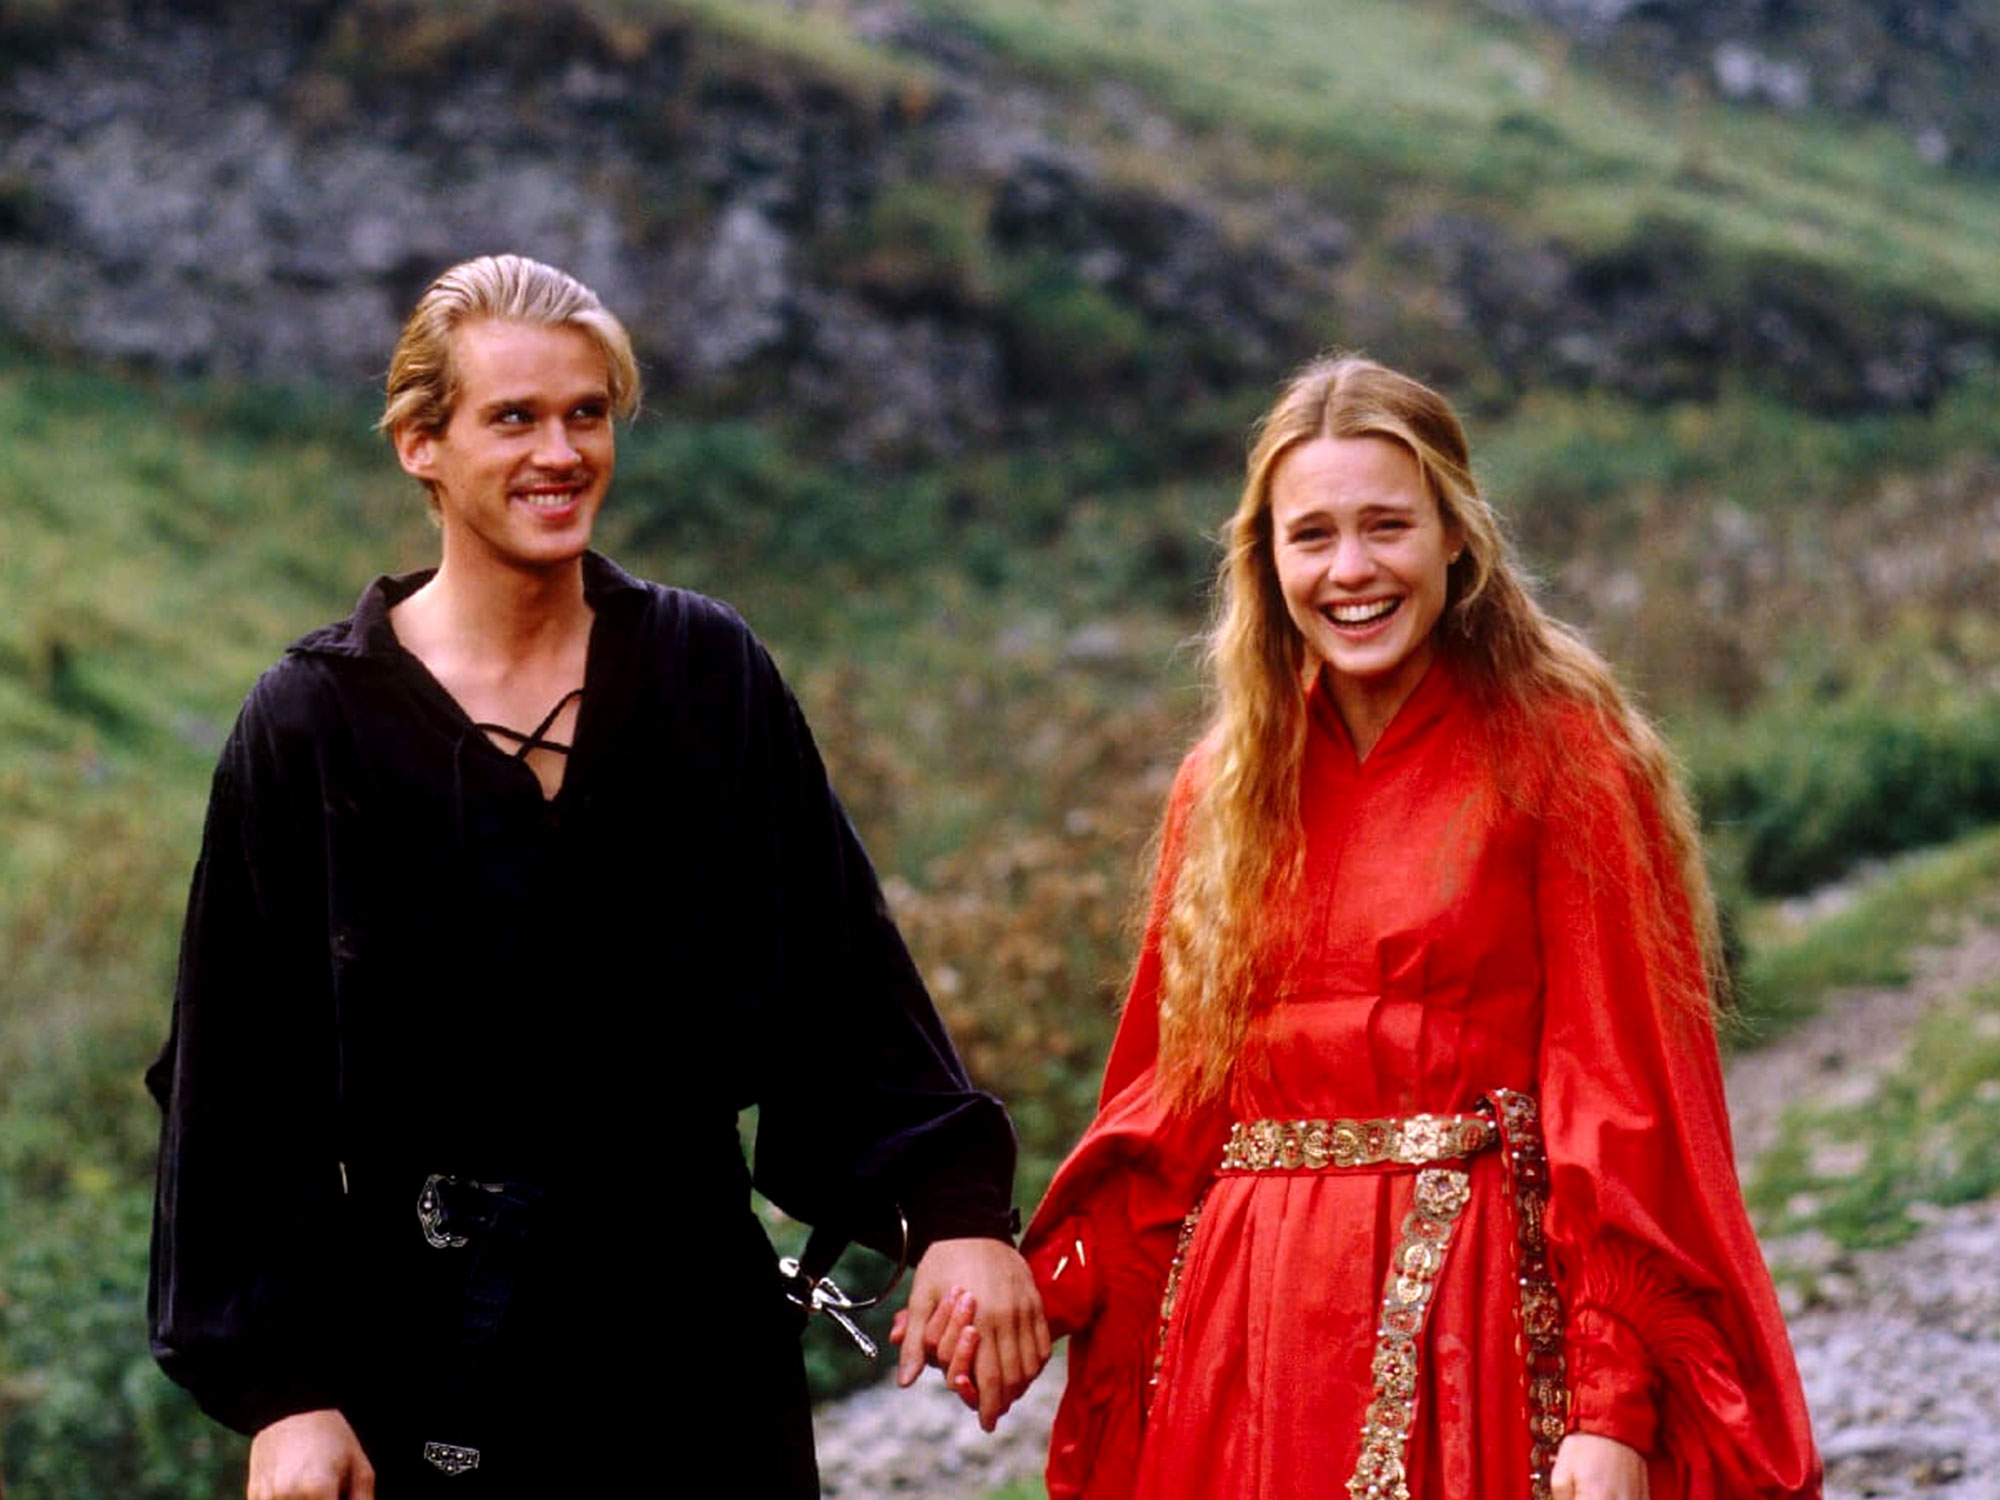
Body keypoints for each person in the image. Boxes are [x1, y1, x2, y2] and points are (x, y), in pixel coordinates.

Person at [147, 253, 1047, 1498]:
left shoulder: (703, 672)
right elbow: (238, 1085)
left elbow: (839, 977)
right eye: (512, 417)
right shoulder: (312, 724)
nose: (559, 452)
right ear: (422, 444)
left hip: (694, 1348)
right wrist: (285, 1396)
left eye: (587, 414)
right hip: (429, 1368)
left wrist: (954, 1215)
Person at [930, 356, 1821, 1499]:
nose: (1349, 570)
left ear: (1455, 534)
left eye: (1385, 526)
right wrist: (1035, 1287)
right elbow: (1168, 1109)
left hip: (1477, 1322)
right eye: (1311, 537)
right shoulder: (1223, 783)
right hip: (1245, 1336)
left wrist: (1610, 1407)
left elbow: (1622, 1100)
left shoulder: (1564, 757)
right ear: (1267, 562)